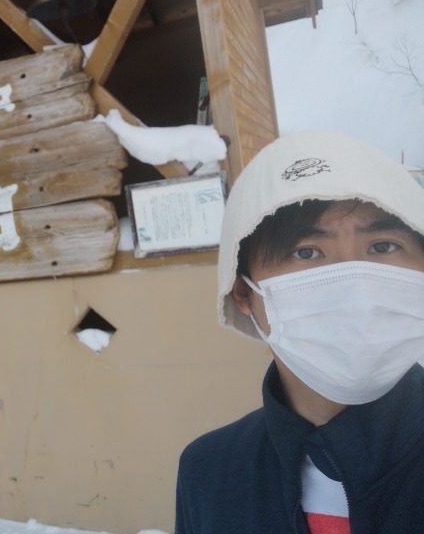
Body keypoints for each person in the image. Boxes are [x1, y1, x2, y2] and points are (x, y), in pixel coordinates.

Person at [174, 130, 424, 534]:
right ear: (243, 293)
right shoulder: (211, 471)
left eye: (382, 247)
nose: (355, 284)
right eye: (306, 252)